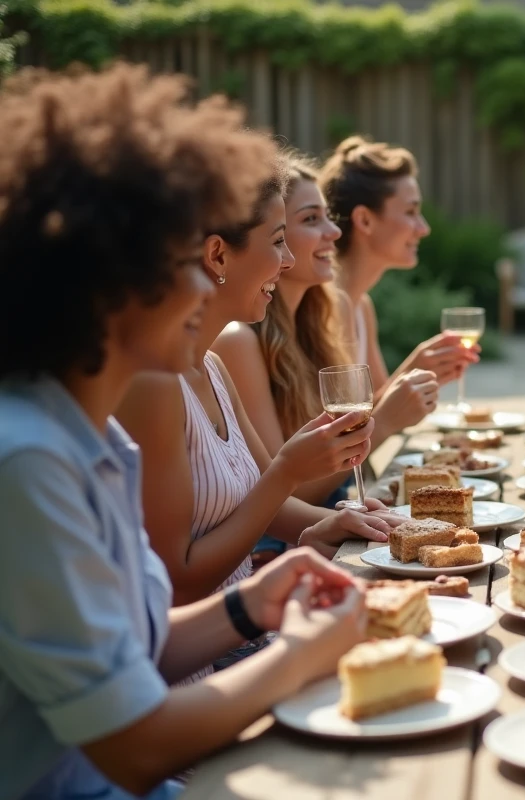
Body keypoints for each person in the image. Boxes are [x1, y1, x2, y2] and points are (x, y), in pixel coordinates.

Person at [0, 64, 366, 800]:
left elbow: (131, 653)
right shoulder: (28, 460)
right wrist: (297, 653)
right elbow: (135, 749)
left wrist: (250, 607)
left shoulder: (89, 437)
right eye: (185, 261)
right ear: (111, 283)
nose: (206, 286)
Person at [117, 157, 391, 627]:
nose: (287, 261)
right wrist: (288, 471)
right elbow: (178, 581)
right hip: (201, 669)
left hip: (240, 642)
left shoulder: (213, 367)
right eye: (279, 241)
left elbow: (268, 503)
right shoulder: (153, 387)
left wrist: (329, 523)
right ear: (218, 255)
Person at [213, 156, 438, 507]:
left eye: (328, 216)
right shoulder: (238, 341)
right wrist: (383, 422)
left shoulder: (323, 318)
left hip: (335, 516)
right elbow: (285, 494)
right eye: (310, 220)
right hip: (289, 542)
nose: (334, 232)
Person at [319, 136, 478, 426]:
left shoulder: (361, 306)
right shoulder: (321, 308)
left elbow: (368, 411)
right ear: (365, 220)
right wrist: (411, 375)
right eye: (410, 212)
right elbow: (339, 438)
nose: (424, 228)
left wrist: (418, 371)